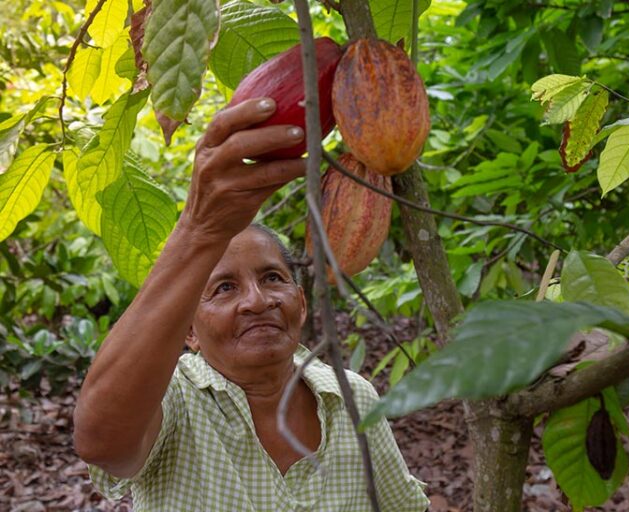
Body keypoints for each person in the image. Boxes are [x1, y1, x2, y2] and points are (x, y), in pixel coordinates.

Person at [73, 97, 430, 511]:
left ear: (300, 302)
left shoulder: (353, 398)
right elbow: (102, 441)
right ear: (187, 329)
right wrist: (197, 228)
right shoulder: (175, 399)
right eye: (224, 288)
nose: (257, 301)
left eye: (272, 278)